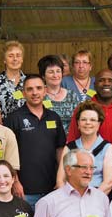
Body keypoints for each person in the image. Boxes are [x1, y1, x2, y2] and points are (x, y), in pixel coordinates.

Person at [5, 74, 66, 208]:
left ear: (45, 91)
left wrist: (61, 179)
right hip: (24, 191)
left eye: (38, 88)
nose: (35, 93)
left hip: (52, 189)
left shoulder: (54, 117)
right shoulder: (14, 118)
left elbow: (60, 149)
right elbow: (7, 153)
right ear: (23, 93)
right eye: (30, 89)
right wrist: (15, 181)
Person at [66, 69, 112, 156]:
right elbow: (73, 141)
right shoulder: (82, 109)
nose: (106, 83)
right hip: (91, 167)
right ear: (94, 85)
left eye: (111, 80)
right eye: (101, 80)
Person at [56, 100, 112, 195]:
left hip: (97, 197)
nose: (88, 123)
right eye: (83, 119)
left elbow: (109, 182)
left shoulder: (107, 148)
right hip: (71, 197)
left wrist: (90, 199)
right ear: (78, 124)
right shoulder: (69, 148)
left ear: (99, 124)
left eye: (92, 120)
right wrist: (68, 199)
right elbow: (60, 180)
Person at [38, 55, 79, 134]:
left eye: (58, 71)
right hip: (45, 139)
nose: (55, 75)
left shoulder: (72, 95)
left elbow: (78, 120)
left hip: (69, 141)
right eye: (51, 72)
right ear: (43, 76)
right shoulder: (38, 96)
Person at [0, 40, 26, 120]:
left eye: (18, 55)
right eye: (11, 56)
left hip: (28, 129)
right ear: (4, 60)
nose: (15, 59)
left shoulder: (29, 83)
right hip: (3, 130)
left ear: (22, 59)